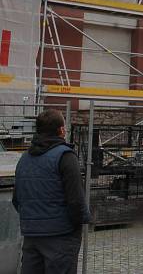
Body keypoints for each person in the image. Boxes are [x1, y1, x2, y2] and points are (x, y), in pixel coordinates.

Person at [13, 109, 90, 274]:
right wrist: (78, 225)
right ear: (61, 130)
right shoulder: (66, 157)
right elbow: (76, 200)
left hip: (31, 237)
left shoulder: (24, 159)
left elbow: (16, 199)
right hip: (61, 237)